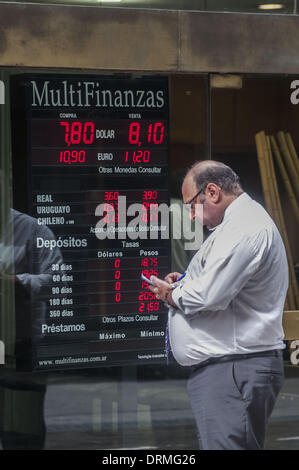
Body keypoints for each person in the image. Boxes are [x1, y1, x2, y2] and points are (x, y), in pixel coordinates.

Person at [149, 160, 288, 450]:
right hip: (232, 367)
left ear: (211, 192)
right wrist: (184, 282)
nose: (190, 216)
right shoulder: (236, 226)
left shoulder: (244, 228)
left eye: (190, 205)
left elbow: (208, 297)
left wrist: (169, 295)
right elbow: (218, 284)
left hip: (233, 368)